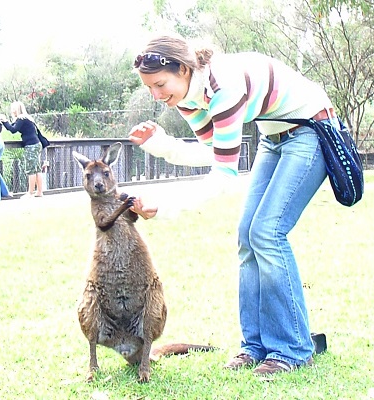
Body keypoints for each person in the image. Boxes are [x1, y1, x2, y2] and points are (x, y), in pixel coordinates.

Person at [127, 35, 336, 376]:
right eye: (149, 87)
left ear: (182, 69)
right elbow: (214, 152)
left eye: (160, 84)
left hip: (311, 129)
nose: (156, 95)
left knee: (267, 232)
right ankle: (254, 347)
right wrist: (162, 145)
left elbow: (224, 175)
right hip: (274, 136)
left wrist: (162, 205)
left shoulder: (222, 88)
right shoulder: (186, 97)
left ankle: (293, 349)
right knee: (247, 236)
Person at [2, 101, 43, 197]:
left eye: (13, 109)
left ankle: (30, 192)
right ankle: (39, 191)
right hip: (36, 144)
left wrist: (4, 121)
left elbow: (13, 129)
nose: (12, 111)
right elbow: (13, 126)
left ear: (16, 110)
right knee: (37, 169)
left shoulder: (21, 118)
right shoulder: (27, 118)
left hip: (31, 145)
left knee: (31, 169)